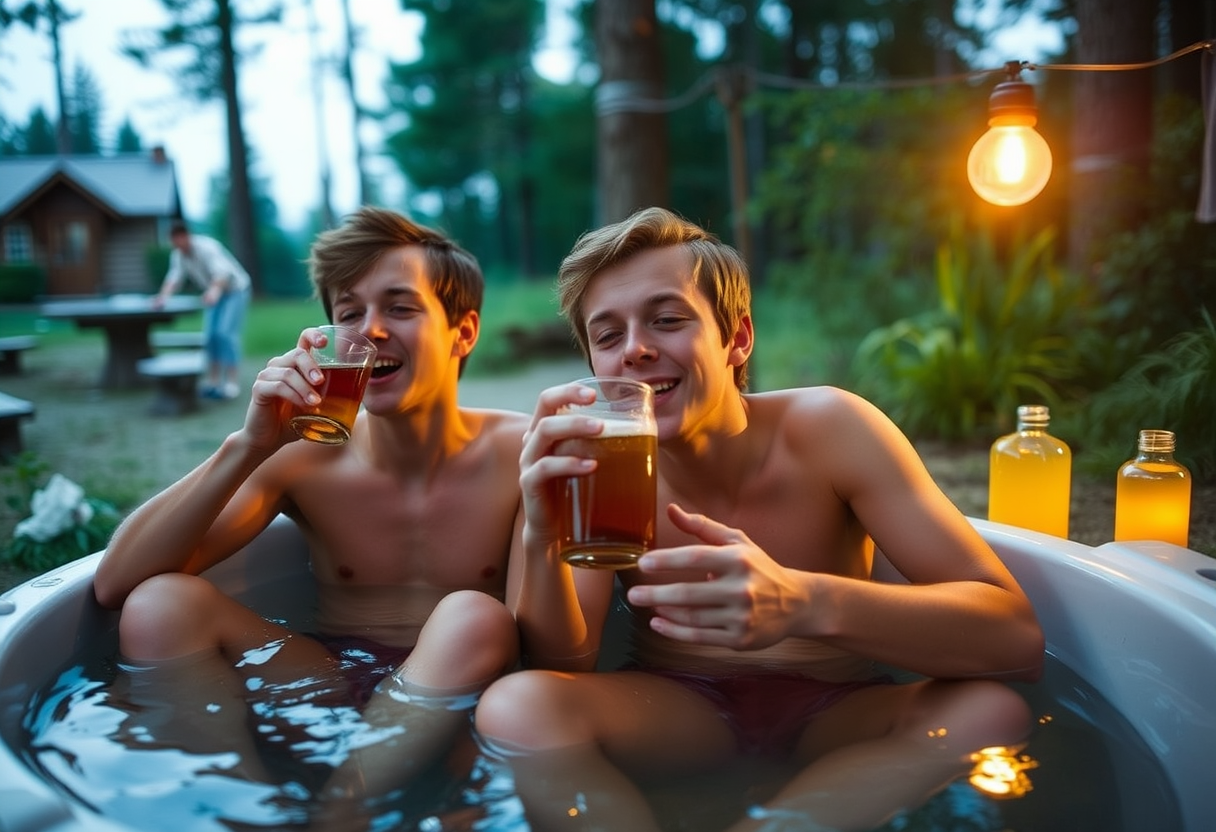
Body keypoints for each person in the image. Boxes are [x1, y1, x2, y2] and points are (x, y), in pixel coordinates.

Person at [474, 206, 1046, 831]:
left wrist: (804, 602)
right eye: (608, 336)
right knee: (516, 707)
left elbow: (1014, 640)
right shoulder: (598, 463)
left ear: (737, 339)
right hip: (679, 708)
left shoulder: (831, 430)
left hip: (839, 707)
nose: (635, 349)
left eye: (667, 320)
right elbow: (566, 667)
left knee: (988, 710)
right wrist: (542, 529)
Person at [94, 206, 528, 819]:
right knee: (160, 604)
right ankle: (250, 807)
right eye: (350, 313)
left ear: (463, 332)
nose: (370, 330)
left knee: (473, 615)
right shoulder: (301, 457)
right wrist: (247, 446)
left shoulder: (522, 450)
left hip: (467, 702)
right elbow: (117, 583)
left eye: (400, 308)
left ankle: (337, 815)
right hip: (322, 688)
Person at [152, 221, 251, 399]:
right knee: (210, 335)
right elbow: (174, 278)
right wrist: (162, 297)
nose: (176, 245)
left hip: (234, 290)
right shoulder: (179, 255)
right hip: (213, 293)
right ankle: (213, 381)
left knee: (225, 334)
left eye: (178, 240)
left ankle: (231, 382)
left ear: (185, 236)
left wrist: (214, 291)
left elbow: (223, 273)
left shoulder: (207, 247)